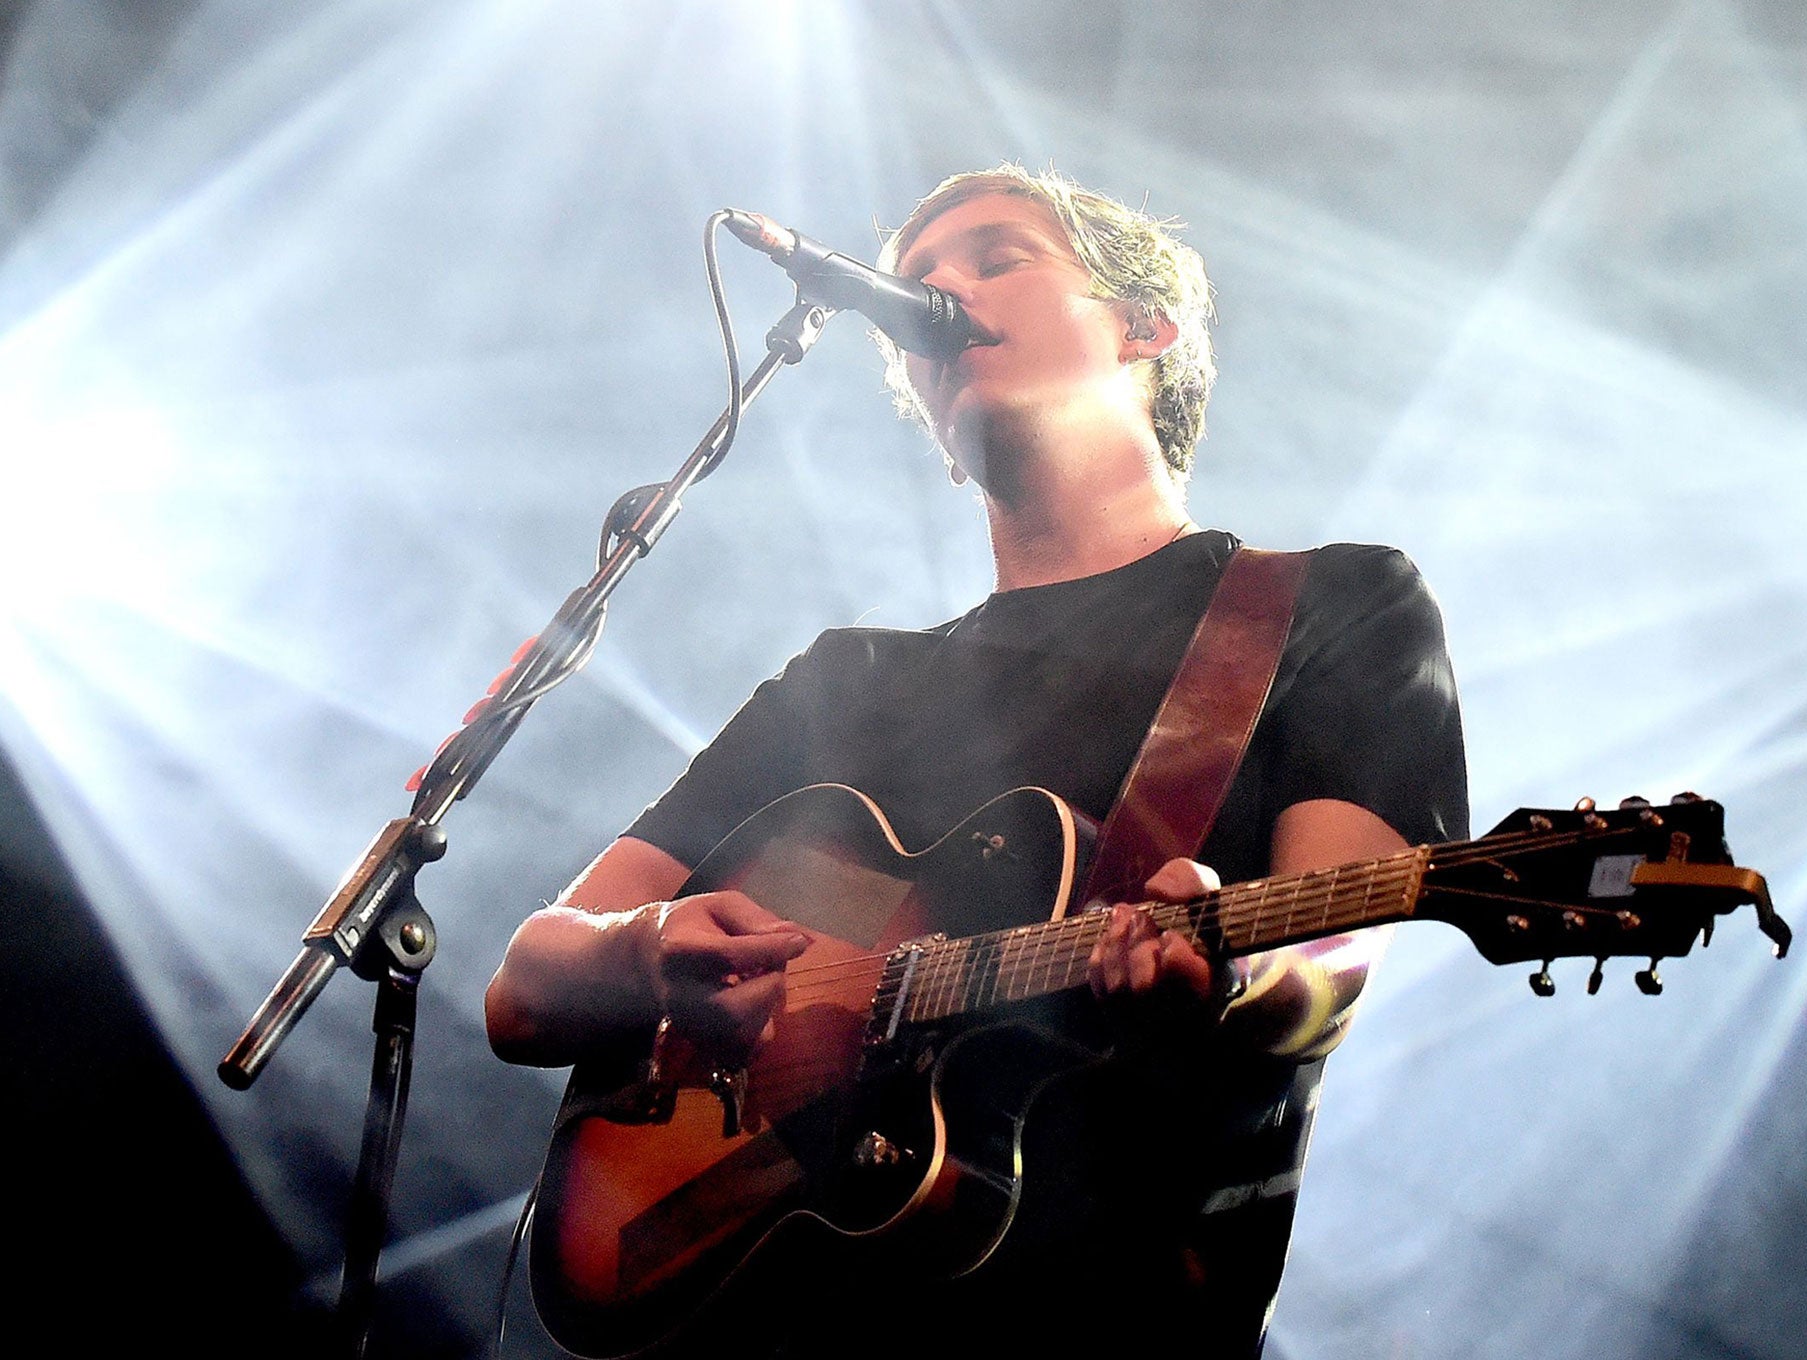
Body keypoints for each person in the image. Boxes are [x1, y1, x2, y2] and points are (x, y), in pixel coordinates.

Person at [485, 165, 1467, 1358]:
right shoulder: (844, 677)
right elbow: (526, 984)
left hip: (1095, 1312)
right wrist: (643, 954)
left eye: (998, 256)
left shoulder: (1330, 605)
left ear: (1143, 326)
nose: (940, 288)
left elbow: (1330, 961)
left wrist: (1225, 979)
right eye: (915, 282)